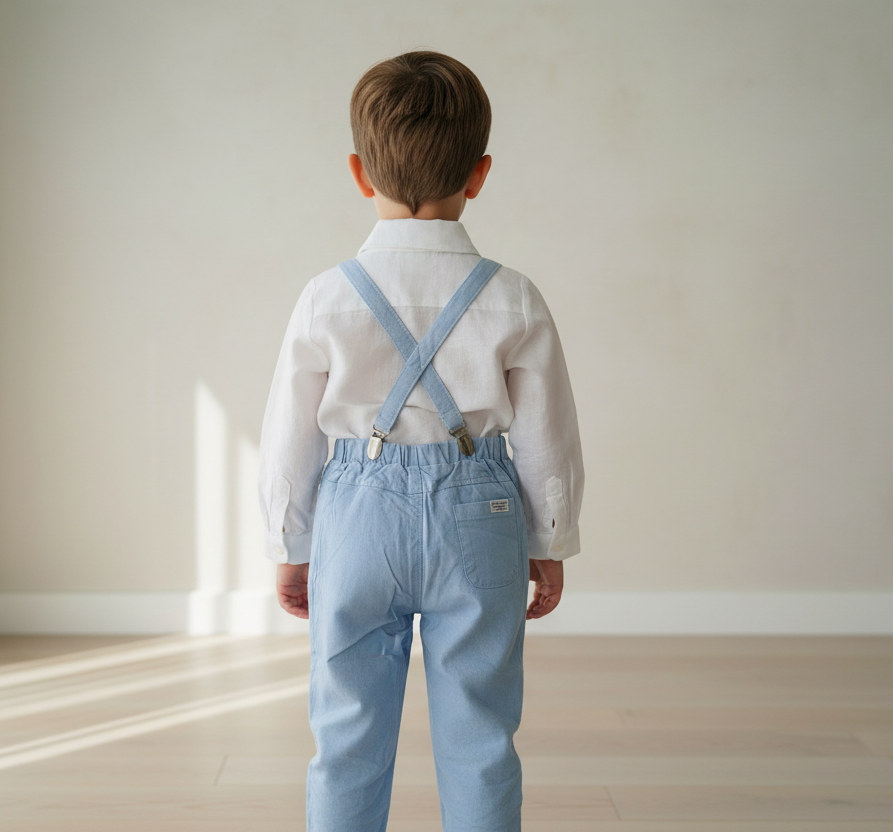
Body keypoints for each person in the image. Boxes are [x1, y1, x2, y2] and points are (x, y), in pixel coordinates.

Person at [257, 50, 584, 832]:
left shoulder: (326, 296)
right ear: (480, 173)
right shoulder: (513, 296)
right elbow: (548, 433)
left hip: (356, 518)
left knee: (346, 734)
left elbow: (287, 434)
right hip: (481, 519)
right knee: (479, 732)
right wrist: (552, 538)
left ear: (358, 172)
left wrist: (288, 540)